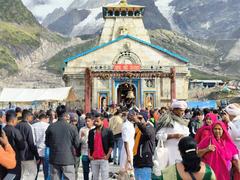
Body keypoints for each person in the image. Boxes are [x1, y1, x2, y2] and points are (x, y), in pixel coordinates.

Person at [45, 105, 79, 180]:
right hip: (68, 159)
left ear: (57, 114)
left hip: (54, 159)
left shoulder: (51, 127)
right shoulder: (72, 127)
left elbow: (47, 143)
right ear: (66, 114)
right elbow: (77, 144)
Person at [156, 100, 189, 166]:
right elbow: (158, 136)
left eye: (183, 110)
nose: (182, 113)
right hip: (169, 154)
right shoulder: (168, 121)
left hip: (181, 153)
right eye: (180, 110)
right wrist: (172, 136)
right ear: (174, 110)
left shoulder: (183, 122)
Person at [88, 112, 114, 180]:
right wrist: (89, 155)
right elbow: (89, 144)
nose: (96, 123)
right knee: (95, 178)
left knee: (105, 177)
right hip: (93, 158)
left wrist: (108, 155)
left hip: (103, 158)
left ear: (102, 121)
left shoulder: (108, 131)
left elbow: (111, 145)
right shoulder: (91, 132)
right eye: (95, 121)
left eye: (97, 121)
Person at [16, 109, 40, 180]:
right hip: (28, 155)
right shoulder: (29, 127)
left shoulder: (17, 125)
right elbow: (31, 143)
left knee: (21, 175)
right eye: (31, 117)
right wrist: (37, 156)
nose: (32, 118)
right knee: (30, 176)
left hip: (18, 156)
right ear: (27, 117)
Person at [3, 110, 25, 180]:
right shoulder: (15, 131)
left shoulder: (2, 130)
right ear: (13, 120)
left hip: (3, 161)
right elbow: (22, 146)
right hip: (14, 160)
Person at [133, 114, 155, 180]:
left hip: (145, 163)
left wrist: (138, 123)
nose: (138, 120)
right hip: (138, 162)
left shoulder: (149, 127)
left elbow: (147, 133)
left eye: (140, 118)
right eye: (137, 118)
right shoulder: (138, 130)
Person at [32, 113, 49, 180]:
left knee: (35, 171)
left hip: (36, 149)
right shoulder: (48, 126)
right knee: (47, 171)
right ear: (45, 118)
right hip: (46, 150)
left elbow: (32, 139)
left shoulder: (33, 126)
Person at [79, 114, 95, 180]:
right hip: (84, 153)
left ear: (92, 121)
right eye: (86, 121)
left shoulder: (95, 129)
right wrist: (82, 137)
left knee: (94, 171)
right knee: (85, 171)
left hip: (93, 153)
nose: (87, 123)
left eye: (88, 121)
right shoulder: (82, 129)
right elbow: (78, 141)